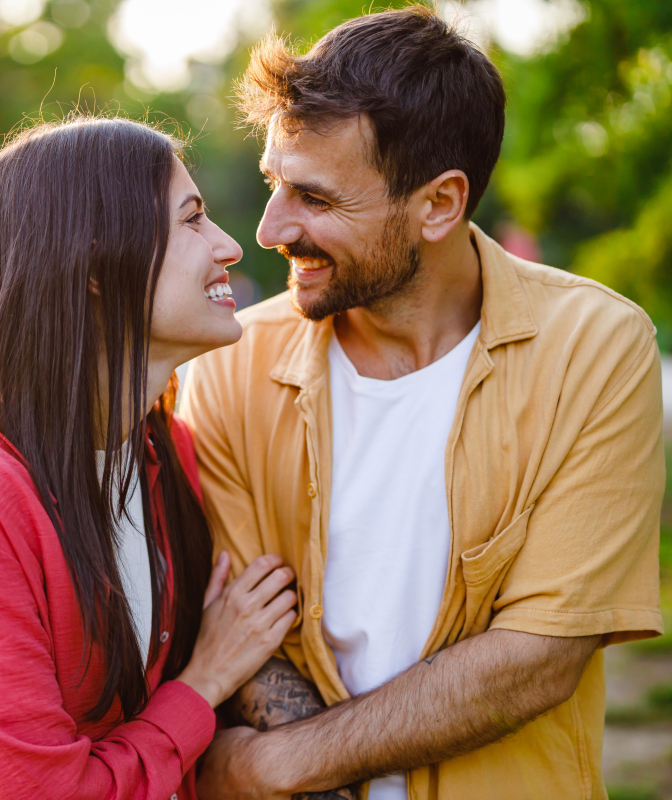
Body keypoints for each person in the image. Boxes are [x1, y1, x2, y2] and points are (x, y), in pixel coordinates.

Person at [181, 8, 664, 800]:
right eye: (274, 182)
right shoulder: (233, 362)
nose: (269, 229)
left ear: (439, 204)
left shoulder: (597, 348)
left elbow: (538, 658)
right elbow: (247, 639)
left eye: (315, 197)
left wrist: (274, 767)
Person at [0, 116, 301, 799]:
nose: (229, 245)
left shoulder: (170, 454)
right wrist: (204, 682)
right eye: (193, 219)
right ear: (92, 263)